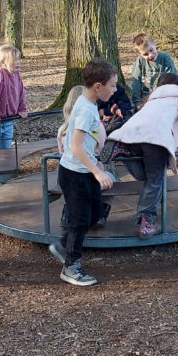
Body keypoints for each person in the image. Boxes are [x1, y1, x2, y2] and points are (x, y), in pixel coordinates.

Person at [105, 73, 178, 239]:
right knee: (155, 181)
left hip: (132, 134)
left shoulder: (152, 100)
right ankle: (146, 221)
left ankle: (122, 146)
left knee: (145, 171)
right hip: (156, 139)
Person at [48, 59, 117, 286]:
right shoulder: (86, 109)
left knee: (95, 213)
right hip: (75, 174)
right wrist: (97, 172)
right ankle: (71, 267)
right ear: (98, 86)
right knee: (80, 220)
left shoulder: (85, 101)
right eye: (112, 85)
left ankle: (62, 245)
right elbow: (76, 145)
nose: (115, 89)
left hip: (83, 171)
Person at [0, 44, 28, 157]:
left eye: (19, 59)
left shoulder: (16, 75)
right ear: (3, 61)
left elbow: (21, 92)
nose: (18, 62)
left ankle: (4, 167)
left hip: (8, 119)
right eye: (15, 59)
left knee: (6, 151)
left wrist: (22, 108)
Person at [129, 32, 178, 106]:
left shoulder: (165, 58)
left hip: (164, 96)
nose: (150, 55)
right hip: (146, 99)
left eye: (151, 50)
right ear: (141, 54)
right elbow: (136, 82)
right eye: (145, 54)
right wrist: (137, 102)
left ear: (154, 45)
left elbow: (172, 78)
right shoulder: (140, 61)